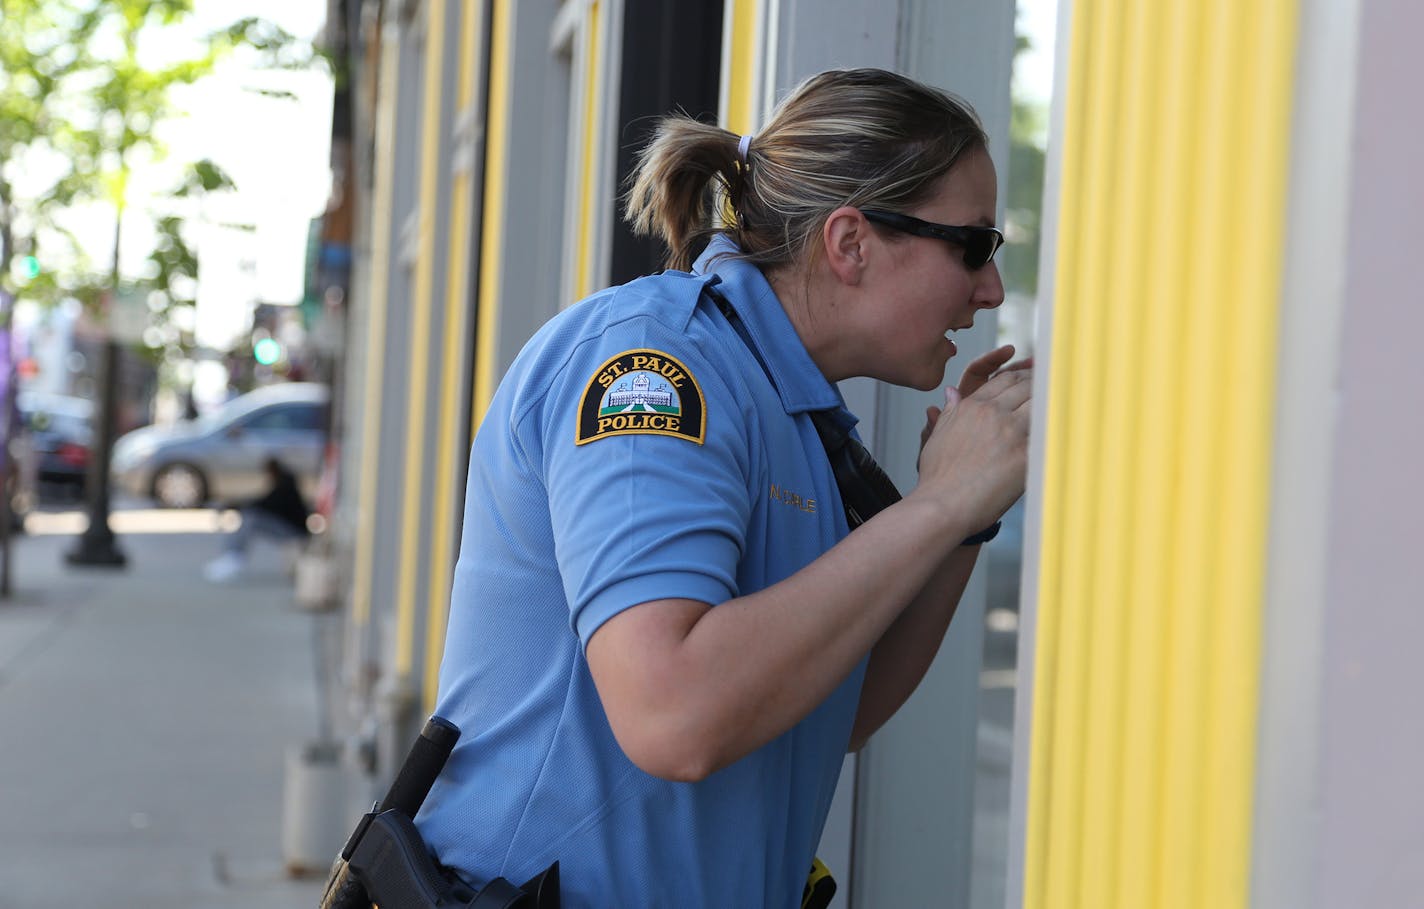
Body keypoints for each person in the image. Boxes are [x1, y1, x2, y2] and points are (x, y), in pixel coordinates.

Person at [416, 67, 1031, 908]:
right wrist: (941, 503)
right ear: (850, 242)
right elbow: (673, 712)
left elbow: (824, 708)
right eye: (973, 246)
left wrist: (962, 518)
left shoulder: (790, 409)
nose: (990, 289)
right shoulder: (655, 370)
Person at [203, 457, 310, 582]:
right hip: (290, 529)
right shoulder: (285, 483)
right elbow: (262, 501)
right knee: (249, 518)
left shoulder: (285, 487)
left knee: (251, 519)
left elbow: (264, 503)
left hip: (295, 533)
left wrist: (237, 505)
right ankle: (232, 554)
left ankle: (234, 556)